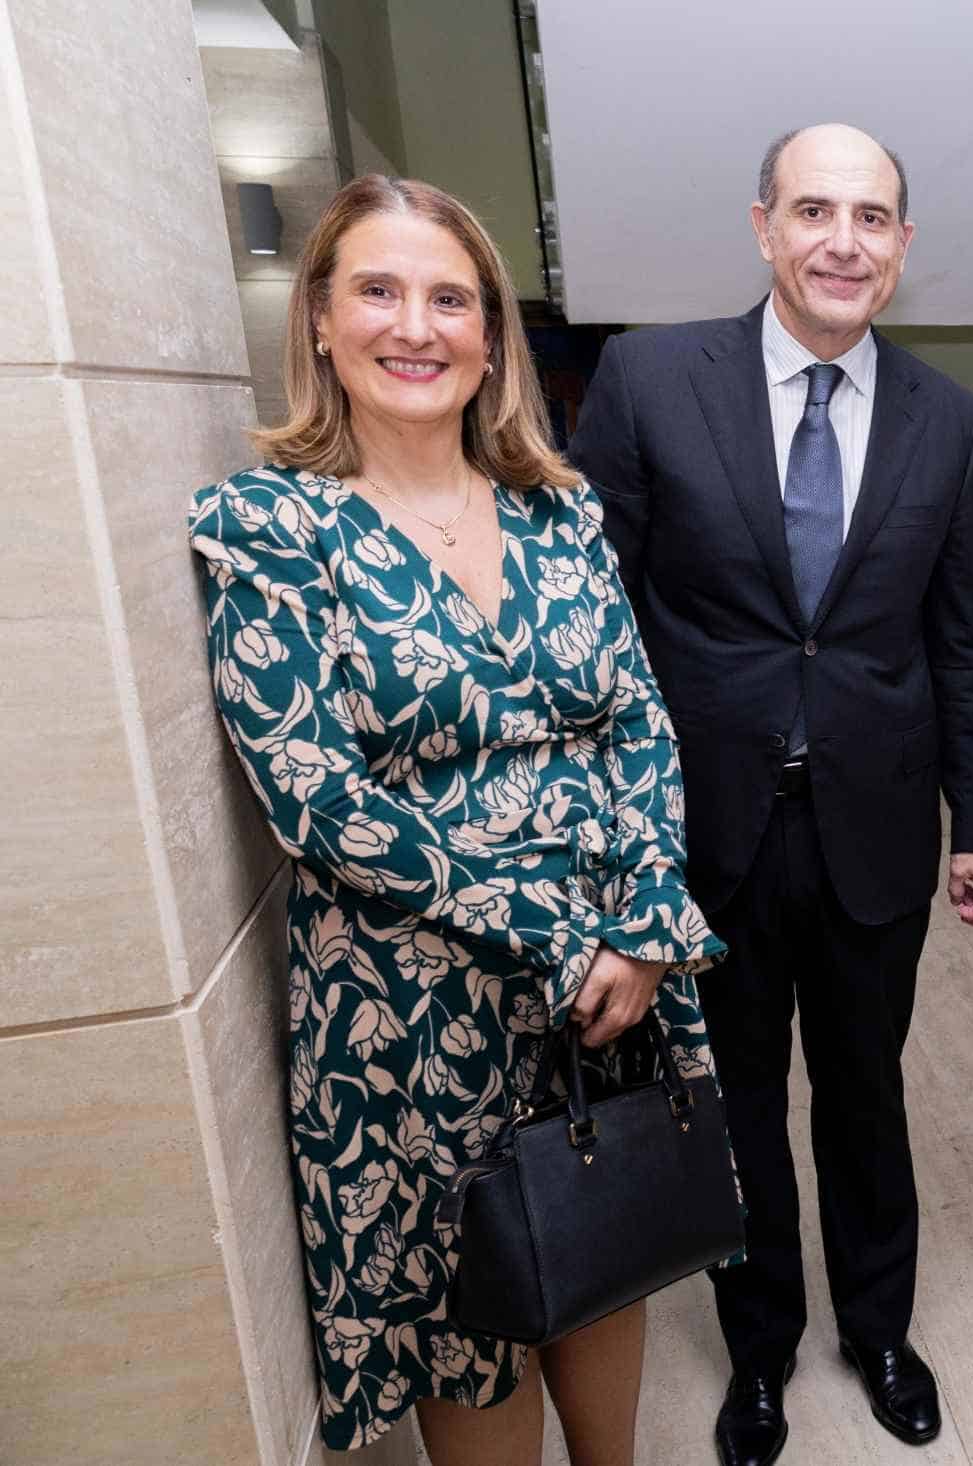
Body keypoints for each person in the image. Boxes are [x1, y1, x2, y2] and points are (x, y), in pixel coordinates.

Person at [186, 175, 725, 1465]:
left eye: (451, 298)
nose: (414, 326)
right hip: (414, 1009)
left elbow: (638, 720)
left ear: (492, 335)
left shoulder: (562, 509)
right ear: (321, 319)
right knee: (465, 1316)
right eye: (378, 290)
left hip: (613, 980)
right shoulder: (268, 525)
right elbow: (319, 797)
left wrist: (648, 916)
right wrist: (558, 933)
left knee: (602, 1253)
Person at [565, 123, 973, 1466]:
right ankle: (758, 1350)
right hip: (709, 827)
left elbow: (958, 641)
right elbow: (600, 621)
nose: (842, 241)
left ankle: (880, 1328)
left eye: (871, 218)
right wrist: (615, 840)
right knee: (741, 1098)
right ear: (762, 225)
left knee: (869, 1093)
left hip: (876, 823)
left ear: (903, 248)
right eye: (815, 211)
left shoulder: (951, 419)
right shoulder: (649, 378)